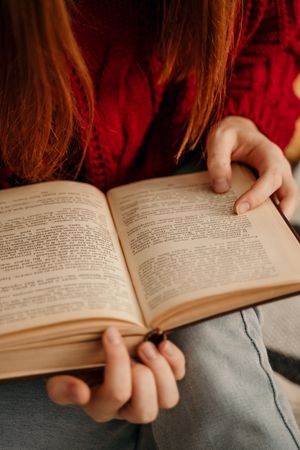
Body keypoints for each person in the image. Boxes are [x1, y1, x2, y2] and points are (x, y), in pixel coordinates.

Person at [0, 0, 299, 448]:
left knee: (213, 362)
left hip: (184, 180)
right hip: (24, 256)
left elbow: (270, 44)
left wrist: (244, 118)